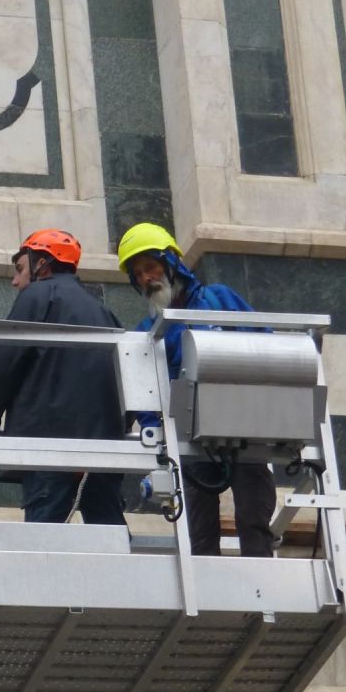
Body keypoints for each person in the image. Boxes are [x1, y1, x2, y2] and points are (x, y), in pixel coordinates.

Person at [116, 222, 275, 558]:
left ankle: (262, 590)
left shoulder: (219, 298)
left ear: (171, 263)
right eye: (138, 274)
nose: (146, 279)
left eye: (150, 267)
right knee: (199, 532)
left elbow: (265, 344)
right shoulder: (148, 332)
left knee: (254, 513)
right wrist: (153, 431)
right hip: (188, 436)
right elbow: (145, 397)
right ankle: (210, 602)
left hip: (242, 422)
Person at [0, 229, 127, 525]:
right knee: (111, 545)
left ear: (42, 263)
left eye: (20, 269)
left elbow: (4, 366)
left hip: (48, 450)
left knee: (45, 549)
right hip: (103, 455)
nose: (16, 281)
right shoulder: (104, 313)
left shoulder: (37, 295)